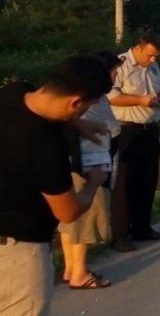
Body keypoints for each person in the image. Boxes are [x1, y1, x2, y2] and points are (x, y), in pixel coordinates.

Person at [1, 56, 111, 315]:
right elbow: (68, 212)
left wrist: (79, 124)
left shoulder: (14, 92)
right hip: (17, 255)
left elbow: (40, 109)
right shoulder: (46, 146)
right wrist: (93, 184)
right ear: (76, 102)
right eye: (86, 107)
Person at [58, 52, 123, 290]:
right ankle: (80, 272)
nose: (116, 76)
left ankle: (70, 268)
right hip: (88, 164)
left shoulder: (87, 97)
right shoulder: (89, 99)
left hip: (78, 162)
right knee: (84, 218)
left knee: (70, 223)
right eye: (114, 71)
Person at [108, 33, 160, 252]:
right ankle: (120, 234)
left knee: (147, 180)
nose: (153, 60)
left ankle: (142, 227)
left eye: (156, 57)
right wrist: (140, 100)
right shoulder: (120, 65)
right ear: (139, 47)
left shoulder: (154, 67)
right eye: (150, 55)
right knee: (124, 184)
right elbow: (112, 96)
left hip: (149, 129)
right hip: (126, 131)